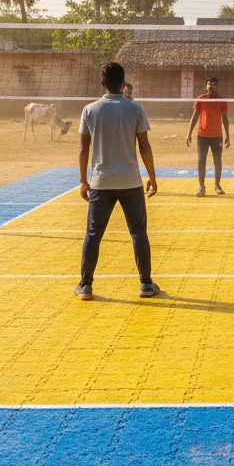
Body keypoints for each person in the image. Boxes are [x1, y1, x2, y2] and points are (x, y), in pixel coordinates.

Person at [77, 61, 159, 300]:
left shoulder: (90, 110)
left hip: (101, 182)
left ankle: (85, 286)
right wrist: (152, 177)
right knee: (138, 233)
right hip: (130, 181)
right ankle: (146, 284)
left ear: (102, 83)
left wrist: (83, 180)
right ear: (123, 84)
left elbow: (83, 149)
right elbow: (144, 146)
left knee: (93, 234)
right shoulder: (135, 109)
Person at [186, 76, 230, 197]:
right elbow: (195, 116)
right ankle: (201, 187)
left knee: (217, 161)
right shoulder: (201, 99)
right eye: (209, 84)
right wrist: (189, 133)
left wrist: (228, 135)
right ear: (206, 86)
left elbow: (225, 119)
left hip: (217, 136)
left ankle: (217, 185)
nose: (211, 86)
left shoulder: (221, 100)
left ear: (217, 86)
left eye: (213, 84)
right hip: (202, 136)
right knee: (201, 160)